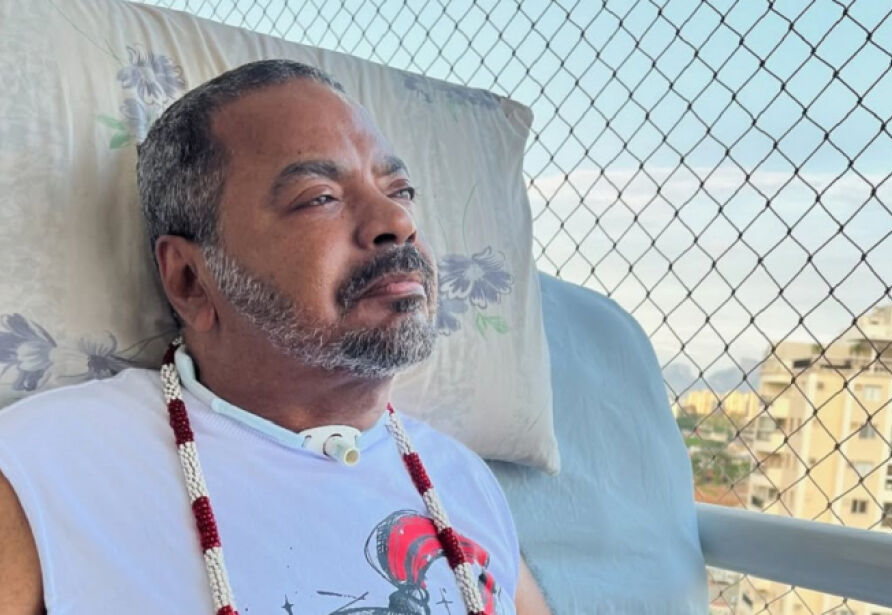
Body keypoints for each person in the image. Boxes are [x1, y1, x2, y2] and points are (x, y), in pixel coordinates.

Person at [0, 60, 551, 615]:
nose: (397, 221)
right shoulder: (48, 467)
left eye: (400, 190)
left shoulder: (461, 480)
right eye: (320, 197)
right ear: (190, 279)